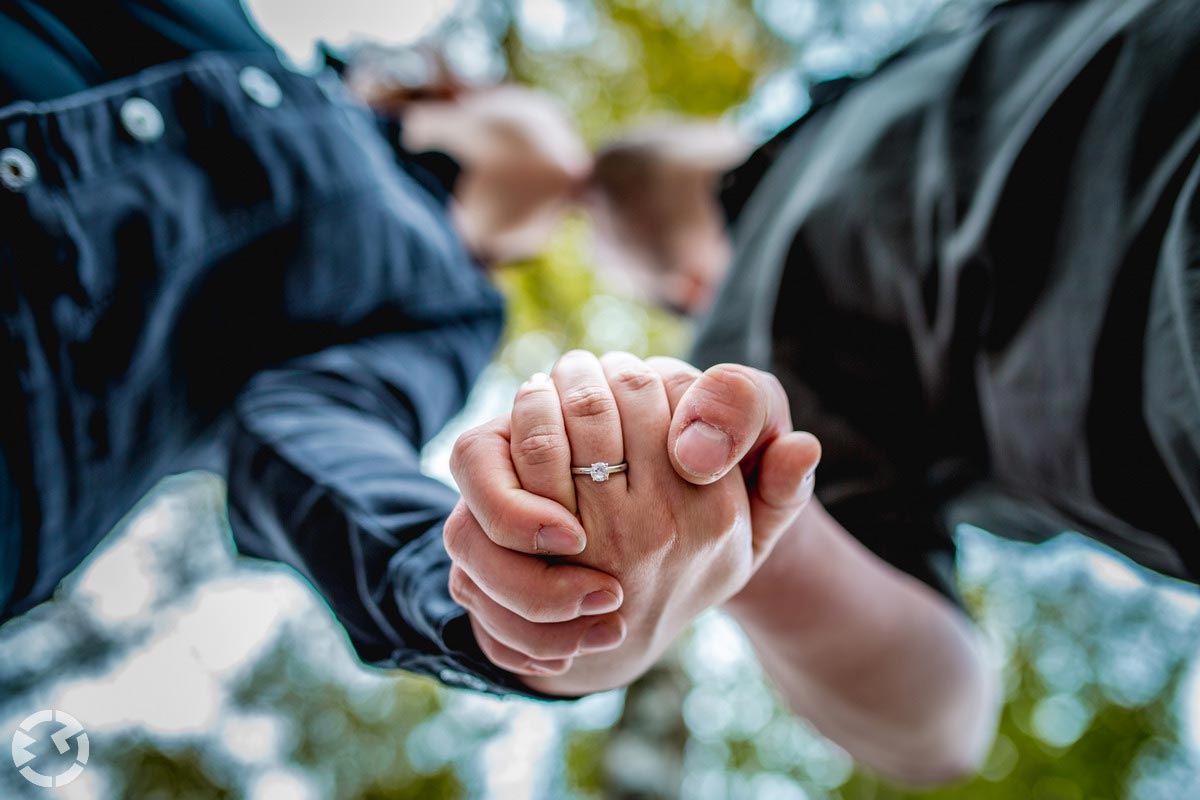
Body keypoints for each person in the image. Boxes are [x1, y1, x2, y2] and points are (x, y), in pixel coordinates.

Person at [448, 0, 1199, 785]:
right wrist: (751, 537)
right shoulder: (744, 355)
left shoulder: (918, 54)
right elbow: (937, 730)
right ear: (694, 286)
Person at [0, 0, 761, 704]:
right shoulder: (233, 33)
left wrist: (515, 615)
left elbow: (321, 453)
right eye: (739, 179)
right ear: (465, 91)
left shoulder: (448, 313)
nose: (576, 182)